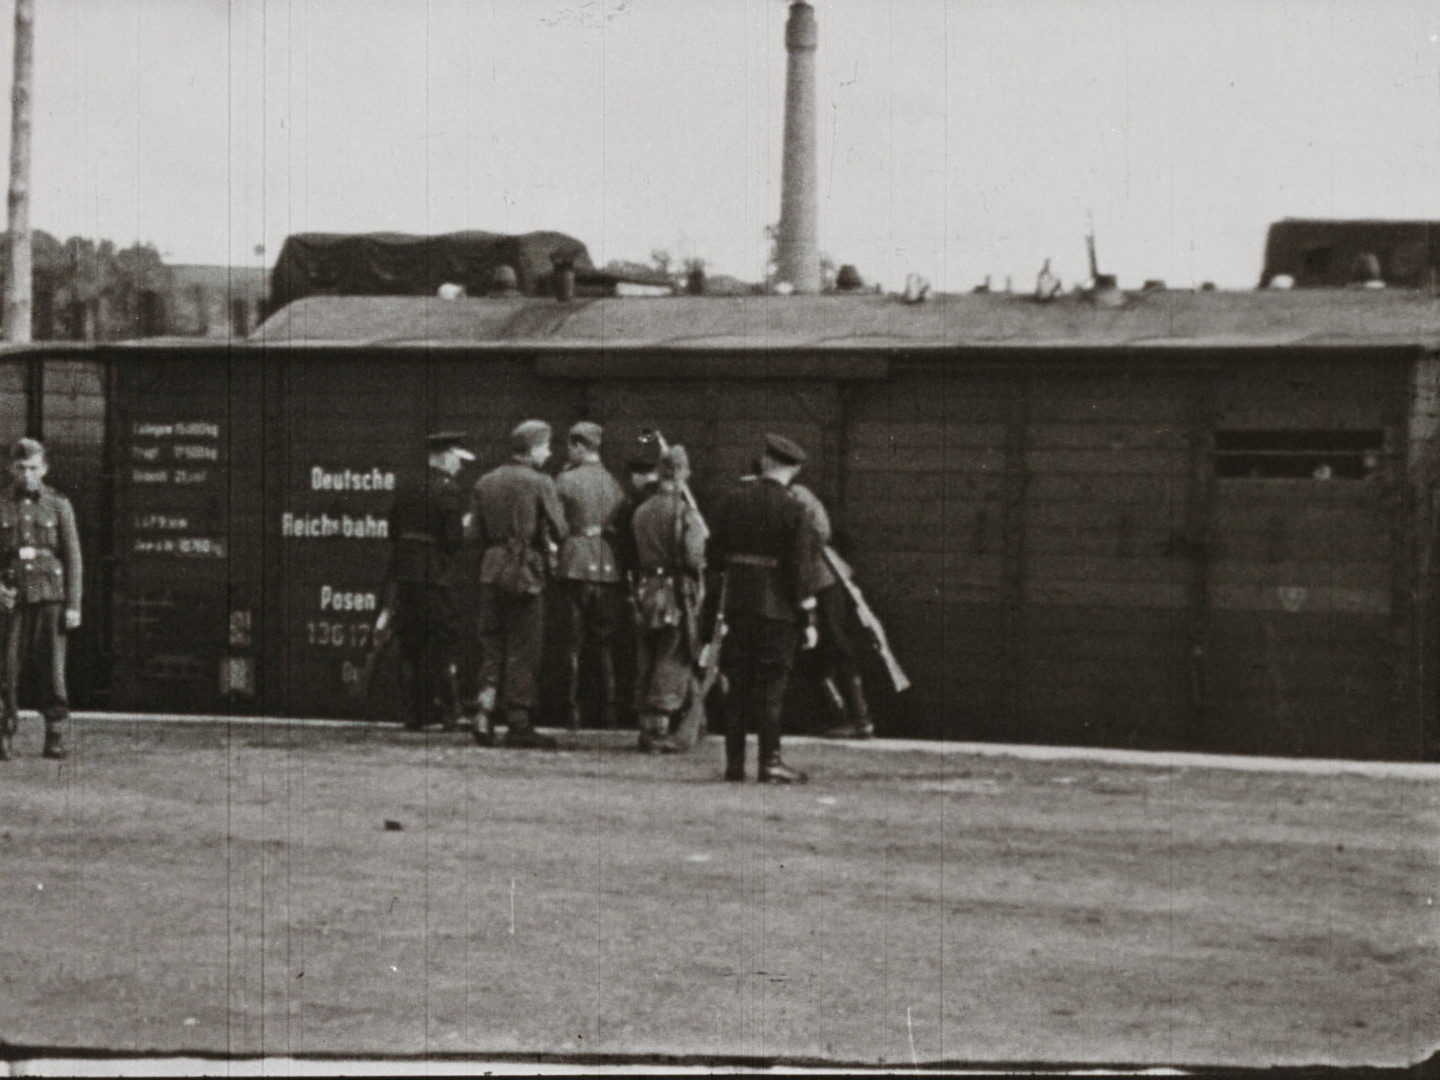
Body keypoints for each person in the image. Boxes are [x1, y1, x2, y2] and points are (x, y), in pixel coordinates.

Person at [707, 434, 820, 783]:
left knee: (738, 686)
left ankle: (734, 764)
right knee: (771, 688)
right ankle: (770, 762)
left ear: (764, 461)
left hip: (738, 604)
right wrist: (808, 619)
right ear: (795, 470)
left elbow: (713, 557)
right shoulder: (795, 509)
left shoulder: (733, 500)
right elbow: (800, 570)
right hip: (777, 610)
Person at [469, 420, 568, 748]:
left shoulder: (485, 482)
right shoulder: (540, 481)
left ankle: (483, 712)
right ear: (534, 448)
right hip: (525, 572)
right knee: (524, 648)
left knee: (492, 644)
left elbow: (474, 535)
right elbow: (560, 529)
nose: (550, 452)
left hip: (491, 569)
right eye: (547, 445)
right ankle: (519, 722)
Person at [0, 438, 82, 761]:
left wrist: (74, 605)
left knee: (53, 670)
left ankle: (56, 735)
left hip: (50, 597)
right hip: (11, 599)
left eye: (33, 468)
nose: (27, 474)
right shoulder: (1, 504)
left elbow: (73, 558)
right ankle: (4, 736)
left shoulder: (58, 505)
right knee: (6, 669)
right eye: (20, 468)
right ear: (10, 469)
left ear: (44, 469)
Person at [387, 431, 475, 731]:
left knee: (411, 643)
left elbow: (392, 529)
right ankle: (451, 712)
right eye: (457, 459)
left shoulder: (406, 485)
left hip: (406, 573)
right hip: (435, 575)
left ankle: (413, 713)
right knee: (444, 641)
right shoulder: (449, 490)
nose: (460, 467)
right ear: (446, 457)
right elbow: (452, 540)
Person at [630, 444, 706, 752]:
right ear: (682, 473)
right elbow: (693, 556)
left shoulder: (642, 510)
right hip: (675, 593)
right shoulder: (685, 512)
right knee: (674, 654)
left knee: (647, 654)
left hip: (646, 589)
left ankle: (648, 724)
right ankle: (660, 727)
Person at [554, 422, 628, 731]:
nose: (568, 451)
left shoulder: (566, 480)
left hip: (573, 564)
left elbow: (556, 525)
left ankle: (572, 715)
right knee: (605, 645)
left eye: (572, 446)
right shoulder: (614, 483)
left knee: (571, 643)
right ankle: (609, 714)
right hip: (606, 565)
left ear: (580, 447)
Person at [787, 481, 873, 739]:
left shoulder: (795, 497)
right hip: (821, 580)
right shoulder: (800, 495)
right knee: (824, 651)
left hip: (820, 581)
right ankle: (847, 717)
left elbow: (818, 533)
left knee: (836, 646)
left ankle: (857, 718)